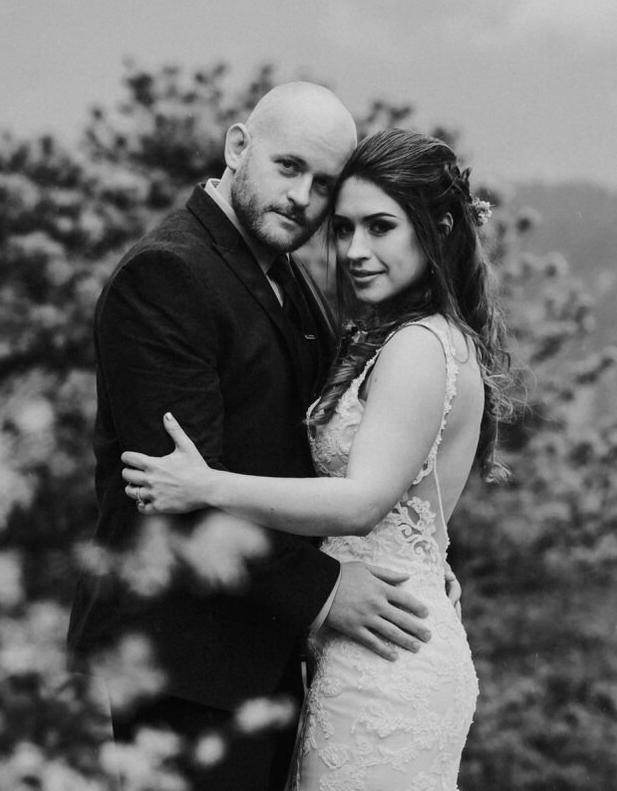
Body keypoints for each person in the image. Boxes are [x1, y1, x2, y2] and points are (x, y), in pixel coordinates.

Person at [65, 83, 439, 791]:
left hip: (259, 649)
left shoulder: (283, 272)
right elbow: (176, 492)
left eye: (324, 183)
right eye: (289, 167)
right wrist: (326, 590)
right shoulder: (168, 273)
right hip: (184, 661)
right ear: (238, 147)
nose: (304, 197)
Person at [123, 126, 512, 790]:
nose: (355, 250)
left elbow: (362, 503)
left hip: (387, 648)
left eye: (381, 227)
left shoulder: (419, 346)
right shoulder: (403, 334)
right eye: (345, 229)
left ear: (439, 227)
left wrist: (207, 484)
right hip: (371, 637)